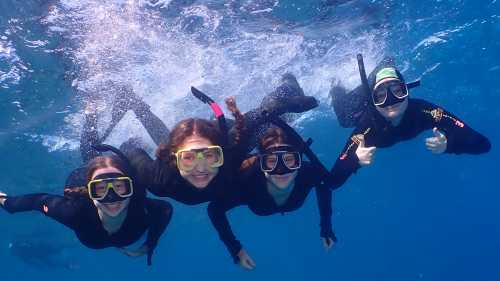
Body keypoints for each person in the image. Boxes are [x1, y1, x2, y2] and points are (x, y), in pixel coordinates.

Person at [0, 95, 173, 266]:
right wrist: (7, 203)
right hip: (81, 179)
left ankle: (123, 143)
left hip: (106, 176)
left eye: (120, 187)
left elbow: (165, 210)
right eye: (100, 188)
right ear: (90, 191)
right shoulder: (75, 212)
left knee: (117, 155)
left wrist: (151, 243)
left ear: (130, 189)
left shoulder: (138, 205)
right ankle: (91, 114)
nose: (111, 197)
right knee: (90, 155)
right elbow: (39, 202)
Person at [122, 74, 319, 205]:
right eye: (189, 158)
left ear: (220, 154)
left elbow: (256, 118)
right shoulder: (159, 179)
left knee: (270, 121)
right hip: (201, 145)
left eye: (209, 156)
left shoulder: (230, 152)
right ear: (173, 158)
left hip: (220, 135)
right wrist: (128, 146)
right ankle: (137, 105)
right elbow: (131, 152)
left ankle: (287, 86)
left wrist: (286, 105)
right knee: (164, 140)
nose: (201, 168)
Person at [327, 56, 491, 189]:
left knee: (380, 82)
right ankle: (336, 84)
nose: (390, 101)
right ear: (373, 100)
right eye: (380, 96)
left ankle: (385, 66)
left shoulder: (424, 111)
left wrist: (450, 145)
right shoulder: (365, 128)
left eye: (398, 91)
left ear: (407, 92)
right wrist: (355, 161)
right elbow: (333, 181)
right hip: (361, 105)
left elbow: (483, 145)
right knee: (345, 119)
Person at [207, 126, 335, 270]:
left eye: (288, 159)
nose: (281, 170)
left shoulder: (308, 173)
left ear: (298, 160)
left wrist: (326, 227)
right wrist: (235, 248)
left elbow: (323, 186)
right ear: (261, 162)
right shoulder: (248, 182)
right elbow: (214, 209)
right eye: (272, 161)